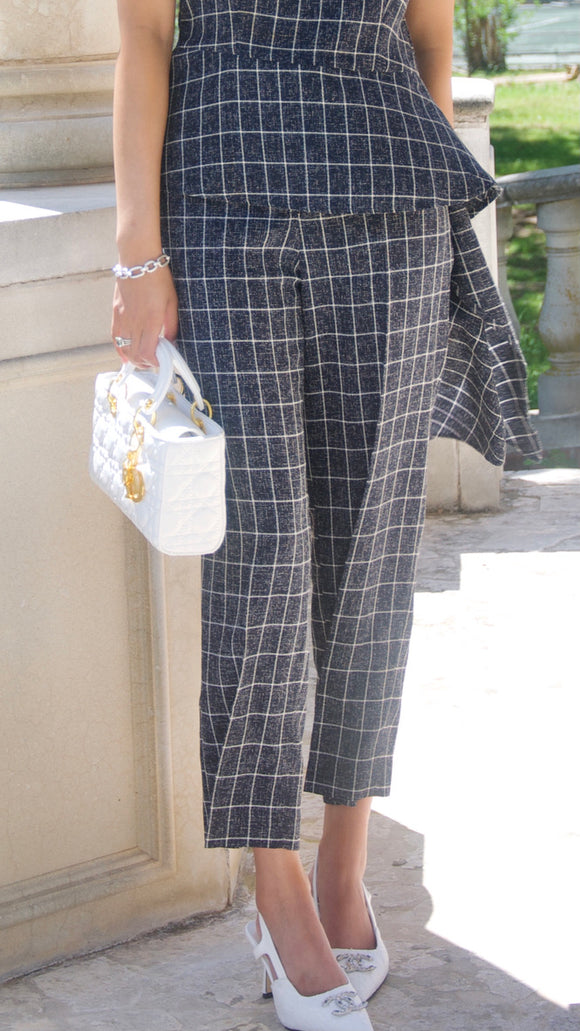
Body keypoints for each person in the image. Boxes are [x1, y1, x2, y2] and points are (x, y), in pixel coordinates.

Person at [110, 2, 540, 1028]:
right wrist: (136, 253)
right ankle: (278, 884)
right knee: (259, 553)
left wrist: (435, 210)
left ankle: (344, 862)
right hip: (223, 211)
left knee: (372, 552)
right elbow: (145, 36)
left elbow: (430, 37)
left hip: (392, 214)